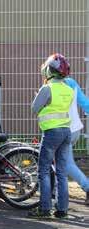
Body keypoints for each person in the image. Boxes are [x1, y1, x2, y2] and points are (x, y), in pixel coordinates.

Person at [30, 53, 73, 219]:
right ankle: (62, 210)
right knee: (62, 172)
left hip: (51, 133)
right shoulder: (68, 89)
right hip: (66, 132)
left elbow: (34, 108)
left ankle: (44, 209)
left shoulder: (47, 88)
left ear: (49, 70)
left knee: (44, 171)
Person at [61, 77, 89, 204]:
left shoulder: (50, 84)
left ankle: (87, 187)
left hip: (63, 130)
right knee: (60, 162)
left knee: (67, 164)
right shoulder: (71, 82)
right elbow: (84, 102)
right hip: (75, 129)